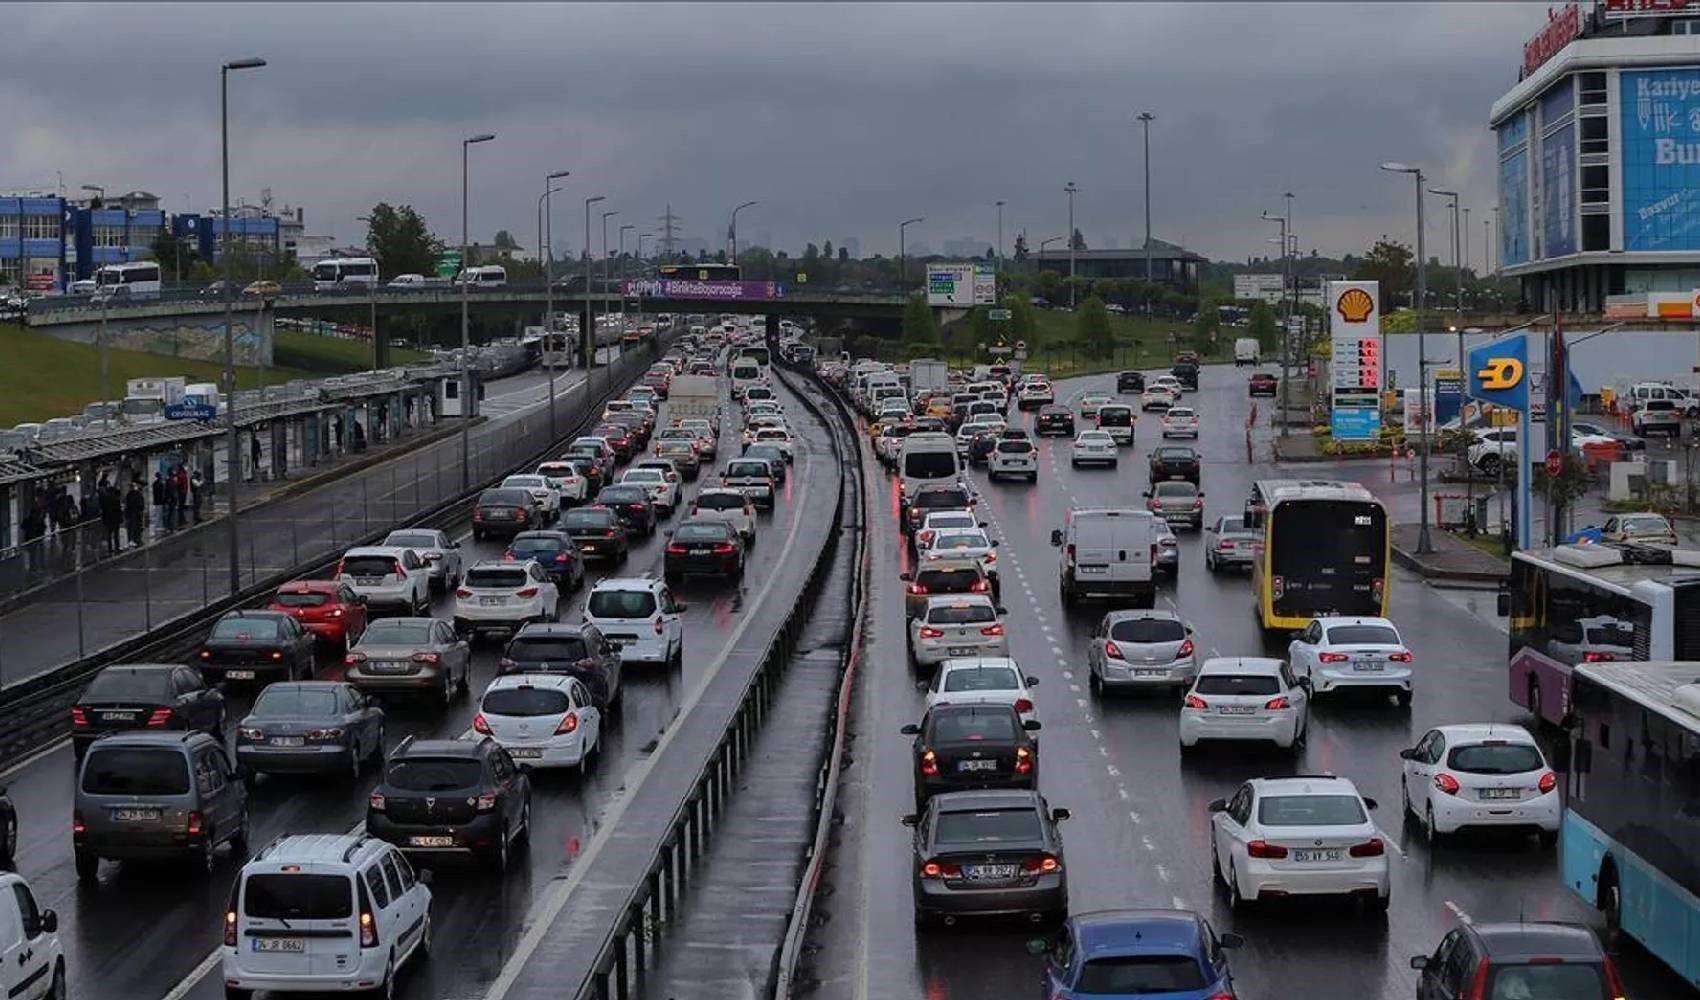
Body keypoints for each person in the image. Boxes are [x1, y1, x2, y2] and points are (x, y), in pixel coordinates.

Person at [99, 478, 122, 554]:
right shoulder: (116, 499)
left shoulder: (105, 499)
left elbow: (103, 510)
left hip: (108, 519)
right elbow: (118, 510)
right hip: (115, 519)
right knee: (116, 534)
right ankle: (117, 548)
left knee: (109, 534)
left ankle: (110, 549)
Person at [123, 478, 144, 548]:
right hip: (137, 512)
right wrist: (141, 510)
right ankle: (137, 539)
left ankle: (133, 539)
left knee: (132, 527)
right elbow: (141, 503)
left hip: (132, 512)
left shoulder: (129, 495)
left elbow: (128, 504)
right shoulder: (138, 494)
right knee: (137, 526)